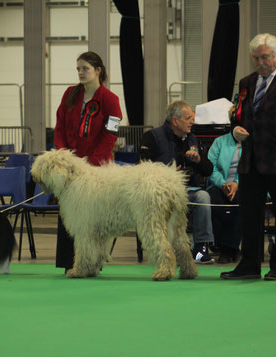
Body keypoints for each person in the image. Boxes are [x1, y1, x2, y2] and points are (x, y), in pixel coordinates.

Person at [220, 33, 276, 281]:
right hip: (251, 159)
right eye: (255, 58)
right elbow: (238, 116)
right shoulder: (246, 82)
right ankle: (249, 265)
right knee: (249, 215)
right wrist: (235, 129)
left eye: (264, 57)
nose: (260, 62)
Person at [53, 51, 122, 272]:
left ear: (98, 71)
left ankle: (91, 262)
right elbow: (60, 126)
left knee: (94, 218)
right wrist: (65, 158)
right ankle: (68, 262)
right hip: (70, 169)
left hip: (97, 169)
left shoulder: (111, 100)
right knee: (70, 215)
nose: (81, 73)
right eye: (78, 69)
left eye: (85, 69)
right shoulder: (69, 94)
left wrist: (90, 163)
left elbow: (110, 135)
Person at [139, 100, 215, 264]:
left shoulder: (192, 139)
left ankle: (200, 249)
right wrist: (169, 175)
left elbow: (208, 170)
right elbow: (142, 169)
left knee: (203, 196)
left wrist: (198, 160)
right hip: (161, 193)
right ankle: (168, 248)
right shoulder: (152, 137)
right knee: (166, 202)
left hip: (188, 191)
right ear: (175, 121)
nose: (192, 121)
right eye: (188, 118)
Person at [206, 130, 242, 264]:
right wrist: (223, 183)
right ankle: (226, 246)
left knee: (240, 204)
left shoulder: (253, 142)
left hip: (242, 185)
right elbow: (211, 167)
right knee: (215, 202)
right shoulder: (219, 142)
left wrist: (236, 184)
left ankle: (228, 249)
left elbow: (253, 168)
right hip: (219, 184)